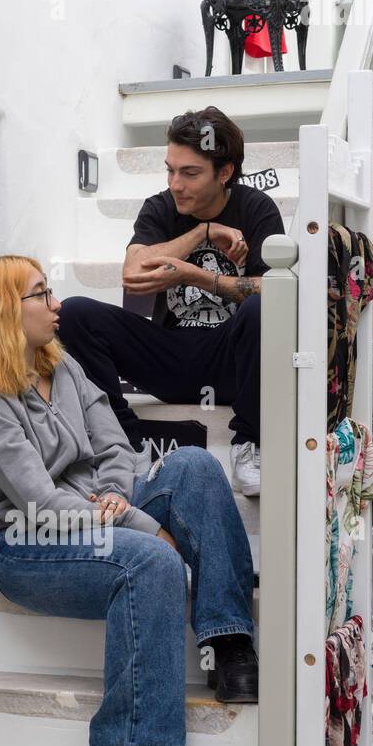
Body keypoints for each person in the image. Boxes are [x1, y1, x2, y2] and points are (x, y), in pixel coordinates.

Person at [0, 254, 257, 746]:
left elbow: (116, 444)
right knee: (150, 562)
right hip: (29, 542)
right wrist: (141, 524)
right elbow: (39, 502)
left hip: (100, 510)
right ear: (3, 310)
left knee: (194, 464)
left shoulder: (62, 365)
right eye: (41, 294)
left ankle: (229, 641)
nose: (56, 304)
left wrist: (119, 496)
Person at [56, 106, 285, 498]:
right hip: (171, 357)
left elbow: (274, 292)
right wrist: (203, 232)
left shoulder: (256, 209)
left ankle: (249, 445)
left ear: (225, 172)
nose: (176, 184)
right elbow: (134, 272)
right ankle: (127, 443)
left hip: (232, 362)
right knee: (75, 313)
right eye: (170, 170)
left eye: (190, 173)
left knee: (261, 308)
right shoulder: (161, 207)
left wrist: (195, 276)